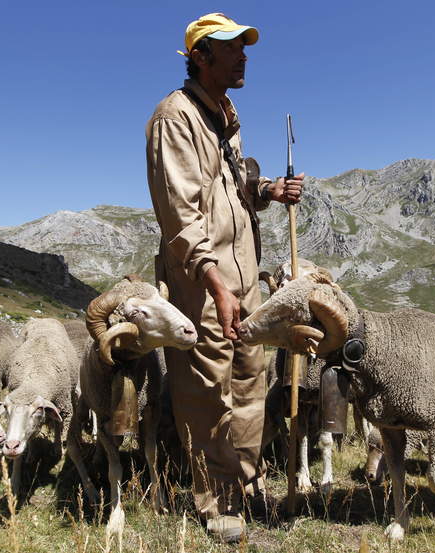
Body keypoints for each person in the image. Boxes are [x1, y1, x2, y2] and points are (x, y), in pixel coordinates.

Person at [145, 12, 304, 543]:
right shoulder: (176, 118)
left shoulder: (225, 116)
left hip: (243, 277)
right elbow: (181, 214)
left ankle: (246, 481)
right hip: (204, 281)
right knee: (206, 386)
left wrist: (268, 193)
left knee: (249, 379)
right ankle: (213, 501)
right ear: (200, 56)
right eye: (232, 49)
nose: (244, 57)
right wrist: (213, 281)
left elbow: (230, 192)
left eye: (244, 48)